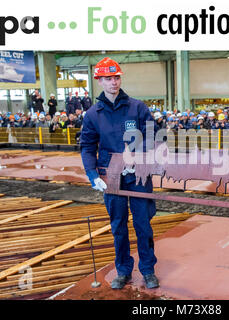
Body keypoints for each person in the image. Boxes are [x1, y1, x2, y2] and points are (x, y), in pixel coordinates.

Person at [80, 57, 159, 290]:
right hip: (110, 176)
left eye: (116, 77)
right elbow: (87, 146)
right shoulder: (93, 115)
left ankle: (148, 270)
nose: (113, 82)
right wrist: (93, 174)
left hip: (138, 175)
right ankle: (123, 270)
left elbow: (153, 136)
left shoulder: (137, 108)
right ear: (99, 81)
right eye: (108, 78)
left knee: (143, 224)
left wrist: (138, 156)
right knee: (118, 226)